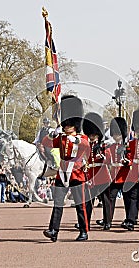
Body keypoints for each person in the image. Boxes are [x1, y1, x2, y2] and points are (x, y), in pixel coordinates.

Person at [43, 95, 91, 242]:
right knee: (57, 203)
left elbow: (86, 146)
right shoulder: (62, 137)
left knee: (79, 205)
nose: (66, 126)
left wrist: (74, 139)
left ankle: (84, 231)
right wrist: (52, 135)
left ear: (75, 124)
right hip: (62, 174)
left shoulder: (81, 138)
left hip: (76, 173)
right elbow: (46, 143)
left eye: (69, 124)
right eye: (65, 123)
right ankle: (53, 230)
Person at [96, 117, 130, 230]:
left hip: (124, 176)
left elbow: (131, 159)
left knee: (128, 200)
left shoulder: (127, 147)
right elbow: (107, 158)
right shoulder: (111, 147)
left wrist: (127, 162)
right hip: (114, 177)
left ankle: (129, 220)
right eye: (114, 135)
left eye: (118, 135)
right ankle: (107, 221)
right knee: (110, 199)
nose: (116, 137)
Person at [82, 112, 111, 229]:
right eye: (90, 135)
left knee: (105, 201)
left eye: (94, 134)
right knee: (88, 202)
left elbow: (108, 159)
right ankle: (85, 222)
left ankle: (107, 221)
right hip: (90, 175)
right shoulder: (86, 145)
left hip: (102, 174)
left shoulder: (103, 146)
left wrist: (103, 155)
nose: (92, 137)